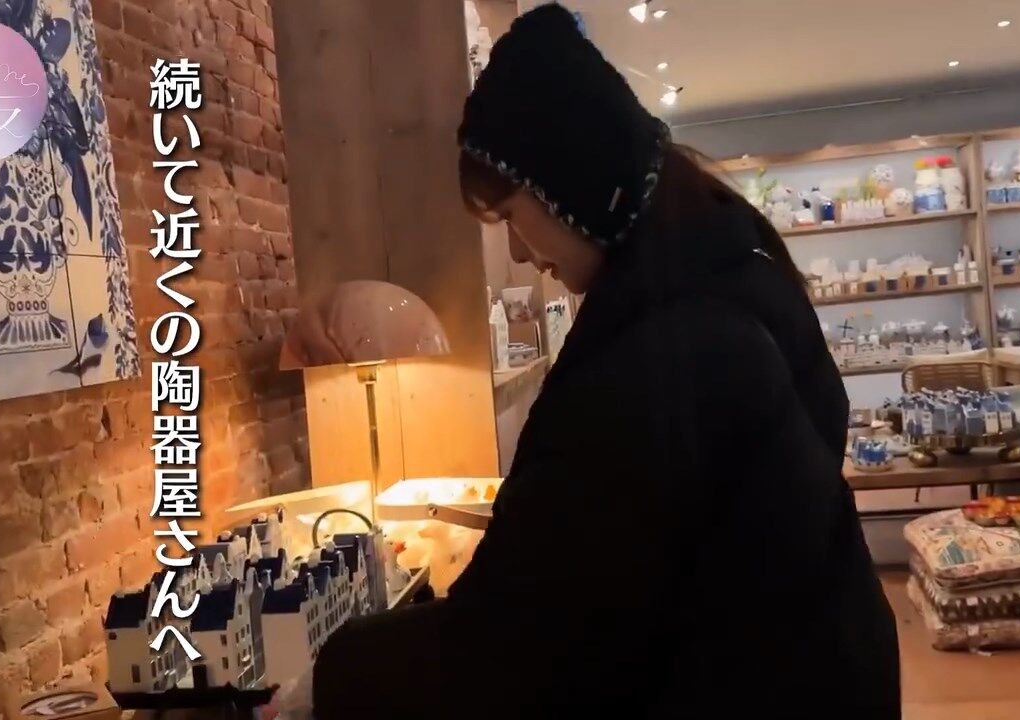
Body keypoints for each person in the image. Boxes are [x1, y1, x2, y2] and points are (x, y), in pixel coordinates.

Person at [313, 5, 900, 718]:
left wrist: (337, 670)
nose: (520, 252)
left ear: (571, 183)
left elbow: (524, 638)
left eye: (510, 215)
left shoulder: (665, 352)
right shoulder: (731, 269)